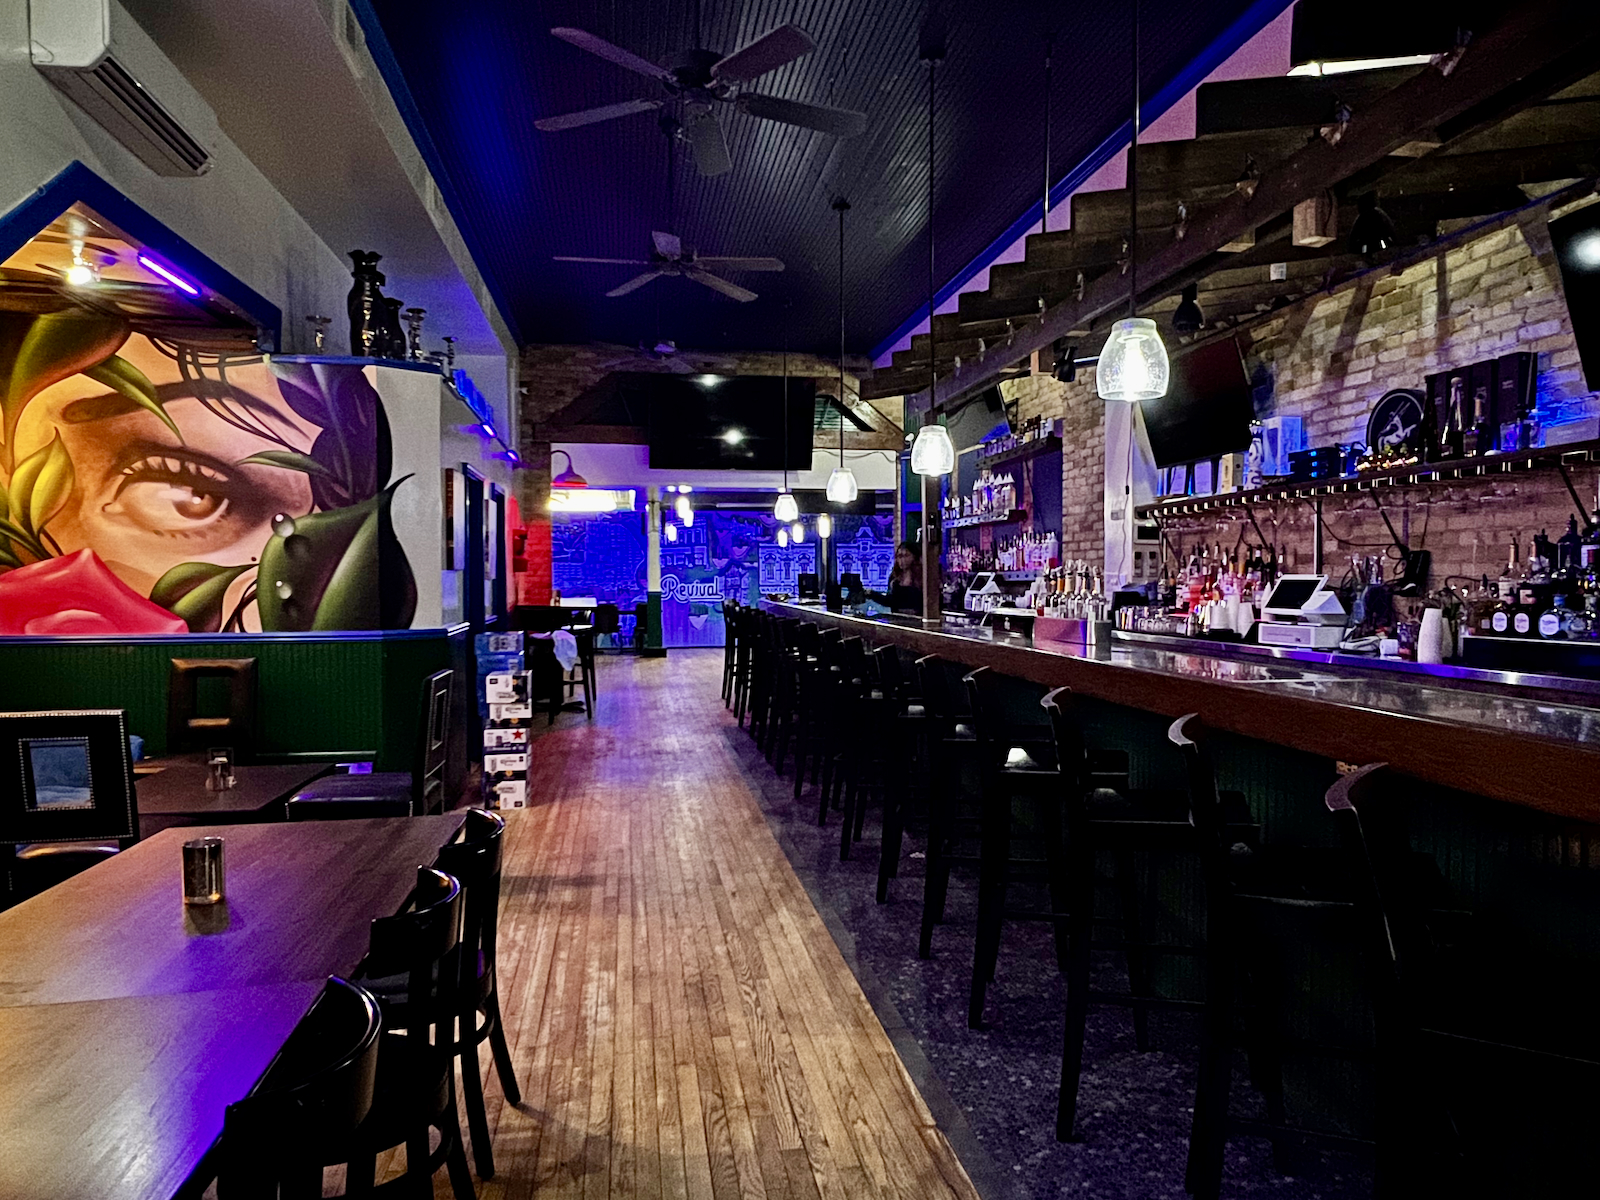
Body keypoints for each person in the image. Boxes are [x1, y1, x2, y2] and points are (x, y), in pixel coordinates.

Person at [871, 541, 926, 614]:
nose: (902, 560)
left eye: (906, 556)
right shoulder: (894, 578)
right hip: (897, 619)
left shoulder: (923, 577)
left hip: (917, 620)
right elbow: (890, 601)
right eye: (899, 556)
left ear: (914, 556)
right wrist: (871, 594)